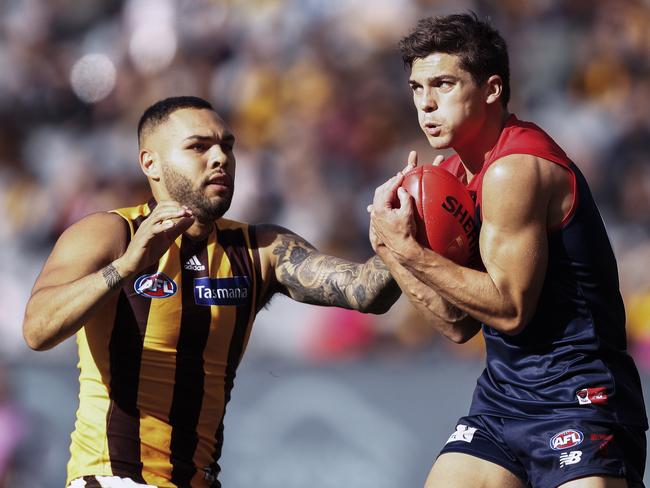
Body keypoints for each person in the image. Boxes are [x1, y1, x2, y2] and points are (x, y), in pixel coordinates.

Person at [22, 96, 401, 488]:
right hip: (114, 478)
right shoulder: (110, 234)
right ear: (150, 162)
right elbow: (37, 329)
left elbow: (366, 292)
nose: (220, 157)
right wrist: (125, 267)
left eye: (227, 146)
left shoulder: (259, 249)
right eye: (199, 147)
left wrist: (407, 232)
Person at [369, 13, 647, 488]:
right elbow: (458, 325)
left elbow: (510, 309)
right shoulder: (458, 177)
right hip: (504, 401)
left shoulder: (514, 168)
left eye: (443, 84)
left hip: (580, 399)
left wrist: (411, 254)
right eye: (417, 88)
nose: (427, 104)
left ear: (492, 90)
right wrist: (393, 246)